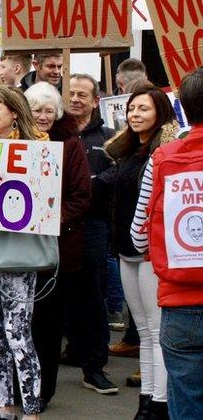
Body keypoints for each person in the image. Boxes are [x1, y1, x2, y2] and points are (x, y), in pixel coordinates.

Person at [24, 83, 113, 405]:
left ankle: (43, 390)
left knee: (48, 324)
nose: (43, 116)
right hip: (18, 250)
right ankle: (19, 385)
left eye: (49, 111)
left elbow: (80, 197)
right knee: (20, 323)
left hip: (55, 249)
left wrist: (45, 219)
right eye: (36, 110)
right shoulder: (16, 143)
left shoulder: (71, 145)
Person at [95, 84, 178, 420]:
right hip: (126, 252)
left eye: (142, 108)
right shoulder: (127, 152)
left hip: (150, 254)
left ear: (160, 112)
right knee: (143, 331)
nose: (134, 114)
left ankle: (160, 404)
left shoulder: (165, 153)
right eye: (131, 109)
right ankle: (146, 401)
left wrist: (143, 242)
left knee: (157, 332)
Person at [131, 68, 203, 419]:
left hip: (180, 304)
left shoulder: (162, 159)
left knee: (187, 404)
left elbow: (138, 236)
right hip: (179, 301)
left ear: (184, 110)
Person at [0, 85, 45, 420]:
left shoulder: (37, 149)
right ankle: (5, 409)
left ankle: (31, 411)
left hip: (17, 254)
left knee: (18, 334)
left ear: (14, 113)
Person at [66, 73, 125, 350]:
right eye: (71, 94)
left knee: (93, 291)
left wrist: (91, 185)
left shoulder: (110, 137)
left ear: (95, 101)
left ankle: (95, 357)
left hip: (94, 224)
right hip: (63, 225)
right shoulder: (56, 134)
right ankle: (72, 348)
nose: (75, 100)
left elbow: (120, 169)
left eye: (82, 95)